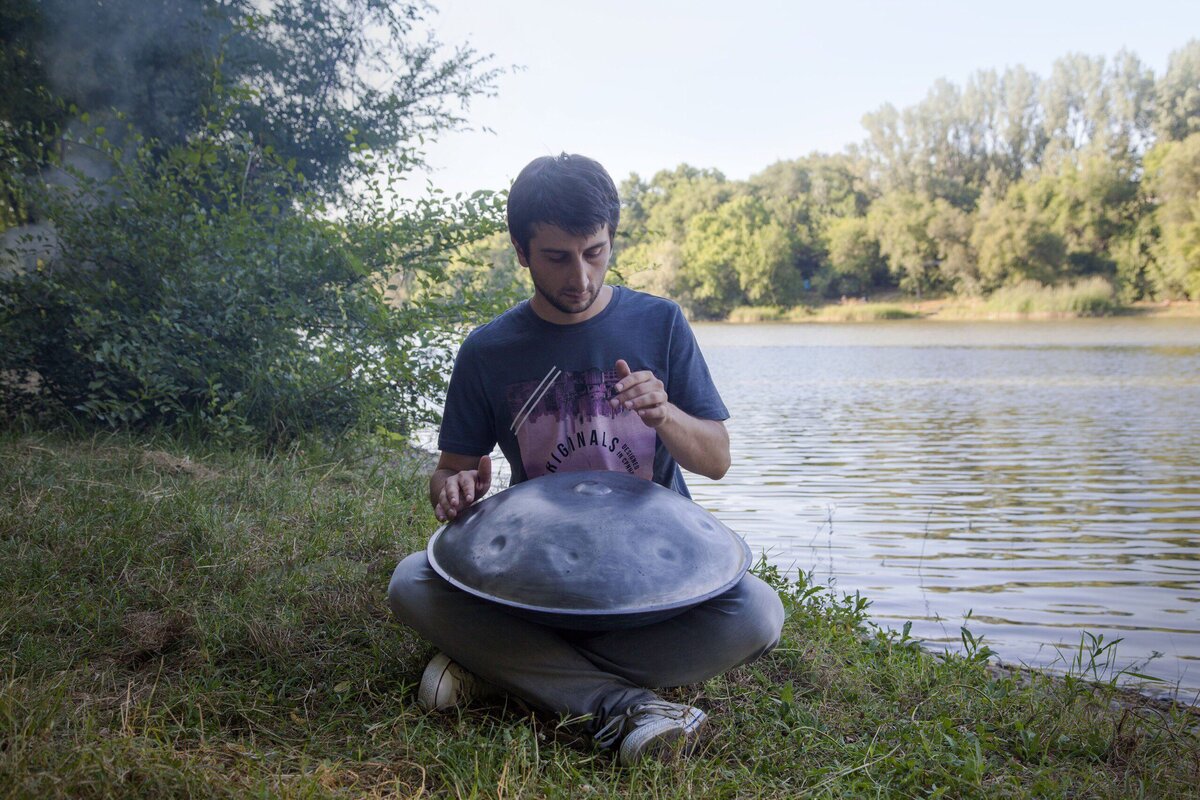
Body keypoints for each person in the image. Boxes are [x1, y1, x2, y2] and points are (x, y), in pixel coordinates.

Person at [387, 153, 783, 766]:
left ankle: (501, 668)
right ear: (522, 252)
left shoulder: (661, 323)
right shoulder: (488, 351)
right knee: (411, 581)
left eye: (595, 252)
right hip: (540, 584)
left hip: (657, 587)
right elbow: (450, 470)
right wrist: (453, 489)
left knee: (757, 613)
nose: (580, 276)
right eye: (557, 257)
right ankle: (621, 704)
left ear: (610, 240)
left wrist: (666, 415)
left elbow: (718, 460)